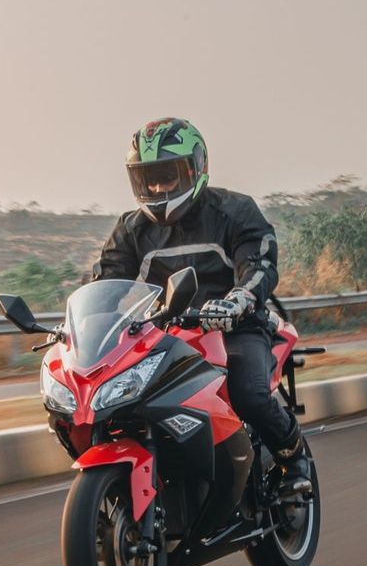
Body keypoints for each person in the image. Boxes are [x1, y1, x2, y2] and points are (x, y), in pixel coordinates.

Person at [94, 117, 312, 490]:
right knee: (114, 401)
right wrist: (89, 325)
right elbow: (107, 283)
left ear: (197, 168)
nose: (159, 187)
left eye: (169, 175)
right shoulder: (131, 230)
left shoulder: (234, 212)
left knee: (249, 395)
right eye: (150, 178)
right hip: (165, 335)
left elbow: (259, 264)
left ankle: (295, 459)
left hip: (236, 328)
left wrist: (239, 299)